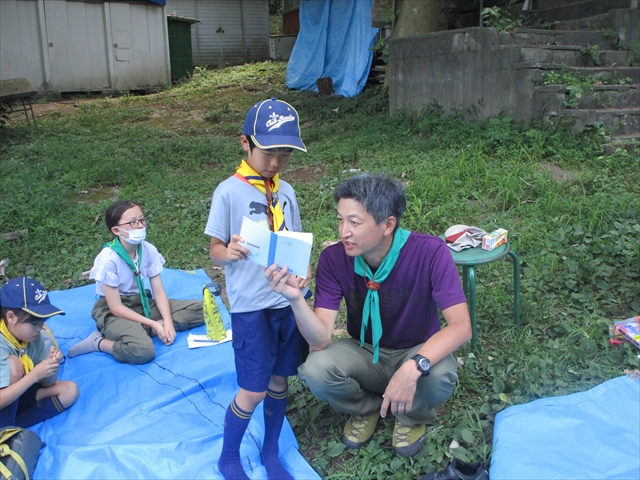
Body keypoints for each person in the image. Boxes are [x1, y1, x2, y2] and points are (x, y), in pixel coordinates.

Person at [266, 173, 472, 458]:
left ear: (388, 224)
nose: (343, 232)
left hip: (416, 348)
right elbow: (321, 338)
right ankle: (367, 407)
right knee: (315, 369)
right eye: (340, 220)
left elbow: (461, 327)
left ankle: (412, 416)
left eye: (354, 222)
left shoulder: (429, 252)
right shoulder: (334, 259)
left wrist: (413, 367)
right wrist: (295, 299)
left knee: (440, 375)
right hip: (364, 352)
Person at [205, 98, 311, 480]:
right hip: (251, 306)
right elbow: (215, 248)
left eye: (285, 153)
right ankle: (228, 456)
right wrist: (227, 251)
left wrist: (304, 273)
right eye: (269, 151)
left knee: (280, 380)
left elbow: (295, 240)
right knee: (254, 389)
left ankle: (270, 453)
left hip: (285, 302)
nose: (276, 162)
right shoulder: (228, 192)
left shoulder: (287, 192)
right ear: (245, 143)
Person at [67, 200, 204, 364]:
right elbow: (116, 308)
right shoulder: (108, 259)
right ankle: (100, 343)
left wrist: (167, 322)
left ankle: (145, 329)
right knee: (143, 351)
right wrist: (154, 324)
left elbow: (158, 291)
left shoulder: (148, 249)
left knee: (202, 309)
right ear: (116, 230)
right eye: (132, 222)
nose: (139, 226)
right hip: (115, 310)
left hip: (141, 302)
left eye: (141, 220)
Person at [0, 277, 79, 428]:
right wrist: (34, 375)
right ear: (11, 317)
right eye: (34, 322)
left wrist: (51, 366)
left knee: (70, 390)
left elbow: (47, 383)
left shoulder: (34, 337)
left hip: (17, 396)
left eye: (43, 322)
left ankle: (12, 429)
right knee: (14, 365)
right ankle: (7, 431)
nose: (40, 327)